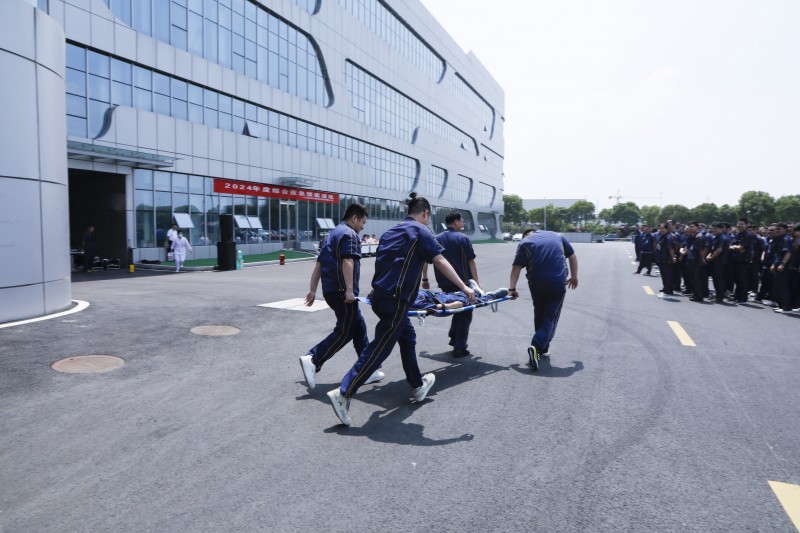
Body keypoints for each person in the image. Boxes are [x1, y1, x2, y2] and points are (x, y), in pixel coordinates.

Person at [327, 193, 475, 426]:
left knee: (407, 338)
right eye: (428, 217)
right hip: (396, 299)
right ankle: (344, 392)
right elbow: (439, 260)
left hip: (379, 296)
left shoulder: (391, 232)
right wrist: (464, 286)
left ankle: (417, 385)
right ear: (424, 213)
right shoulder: (420, 231)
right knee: (380, 347)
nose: (428, 221)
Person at [299, 204, 383, 389]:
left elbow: (319, 265)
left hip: (331, 291)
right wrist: (350, 290)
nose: (363, 227)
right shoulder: (349, 234)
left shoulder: (332, 235)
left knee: (358, 326)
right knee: (346, 330)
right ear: (354, 218)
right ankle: (313, 359)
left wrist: (312, 290)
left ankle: (368, 370)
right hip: (342, 292)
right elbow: (347, 261)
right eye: (363, 222)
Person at [507, 229, 578, 371]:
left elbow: (516, 267)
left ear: (526, 235)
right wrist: (574, 276)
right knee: (550, 317)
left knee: (539, 314)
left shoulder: (525, 242)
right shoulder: (557, 236)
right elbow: (572, 255)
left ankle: (543, 348)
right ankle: (537, 346)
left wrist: (512, 289)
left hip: (536, 284)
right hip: (557, 283)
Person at [422, 210, 481, 357]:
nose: (463, 223)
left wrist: (425, 279)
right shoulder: (463, 238)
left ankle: (454, 337)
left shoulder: (436, 238)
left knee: (457, 308)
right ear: (455, 222)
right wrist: (477, 285)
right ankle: (459, 346)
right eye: (462, 220)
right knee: (465, 312)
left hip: (444, 282)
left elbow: (425, 261)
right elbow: (471, 262)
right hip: (463, 283)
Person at [412, 287, 509, 312]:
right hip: (442, 301)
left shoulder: (408, 288)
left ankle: (477, 292)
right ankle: (491, 296)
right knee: (467, 301)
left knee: (460, 295)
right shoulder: (413, 301)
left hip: (438, 295)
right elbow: (427, 308)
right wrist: (451, 306)